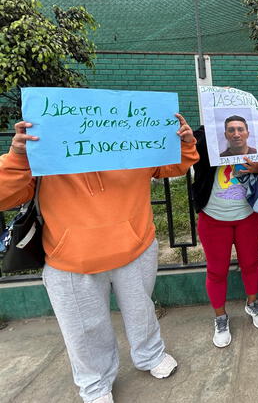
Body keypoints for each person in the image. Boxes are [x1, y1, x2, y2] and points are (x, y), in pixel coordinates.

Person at [0, 114, 198, 403]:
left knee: (141, 310)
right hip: (70, 259)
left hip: (135, 249)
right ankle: (94, 383)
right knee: (83, 329)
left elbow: (173, 165)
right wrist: (19, 156)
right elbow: (6, 195)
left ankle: (150, 354)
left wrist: (185, 143)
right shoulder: (45, 152)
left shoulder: (132, 145)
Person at [193, 125, 258, 348]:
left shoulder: (253, 142)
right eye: (230, 129)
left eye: (241, 129)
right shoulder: (205, 139)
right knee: (217, 270)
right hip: (213, 218)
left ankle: (252, 303)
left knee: (250, 262)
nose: (236, 133)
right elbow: (194, 150)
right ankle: (220, 317)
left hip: (247, 215)